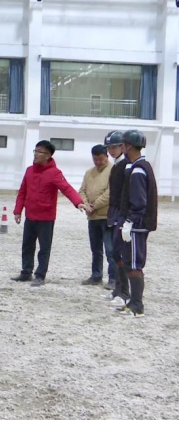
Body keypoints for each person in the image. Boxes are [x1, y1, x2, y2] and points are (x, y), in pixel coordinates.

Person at [11, 140, 89, 287]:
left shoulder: (55, 173)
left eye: (39, 151)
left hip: (46, 218)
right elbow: (22, 192)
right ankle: (26, 272)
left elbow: (66, 188)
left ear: (48, 155)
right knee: (27, 245)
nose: (36, 154)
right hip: (30, 216)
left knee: (44, 248)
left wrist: (78, 202)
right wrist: (18, 210)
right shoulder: (29, 171)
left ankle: (40, 275)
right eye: (35, 151)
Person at [117, 130, 158, 318]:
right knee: (130, 262)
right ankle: (133, 302)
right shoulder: (138, 166)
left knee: (134, 264)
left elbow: (139, 202)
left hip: (136, 225)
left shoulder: (138, 170)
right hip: (136, 224)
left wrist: (129, 221)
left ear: (129, 146)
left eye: (122, 144)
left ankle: (136, 305)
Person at [79, 145, 115, 287]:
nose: (98, 162)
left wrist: (94, 206)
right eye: (95, 159)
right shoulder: (89, 172)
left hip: (107, 217)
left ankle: (113, 279)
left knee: (110, 250)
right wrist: (86, 204)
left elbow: (110, 193)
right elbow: (82, 190)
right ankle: (96, 275)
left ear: (106, 156)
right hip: (92, 217)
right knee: (96, 249)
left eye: (100, 159)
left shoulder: (113, 171)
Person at [102, 131, 131, 306]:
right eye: (109, 148)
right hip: (114, 211)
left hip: (121, 212)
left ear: (122, 146)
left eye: (114, 147)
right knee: (115, 252)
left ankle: (124, 292)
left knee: (120, 254)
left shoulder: (126, 165)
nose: (111, 151)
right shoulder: (116, 165)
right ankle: (117, 290)